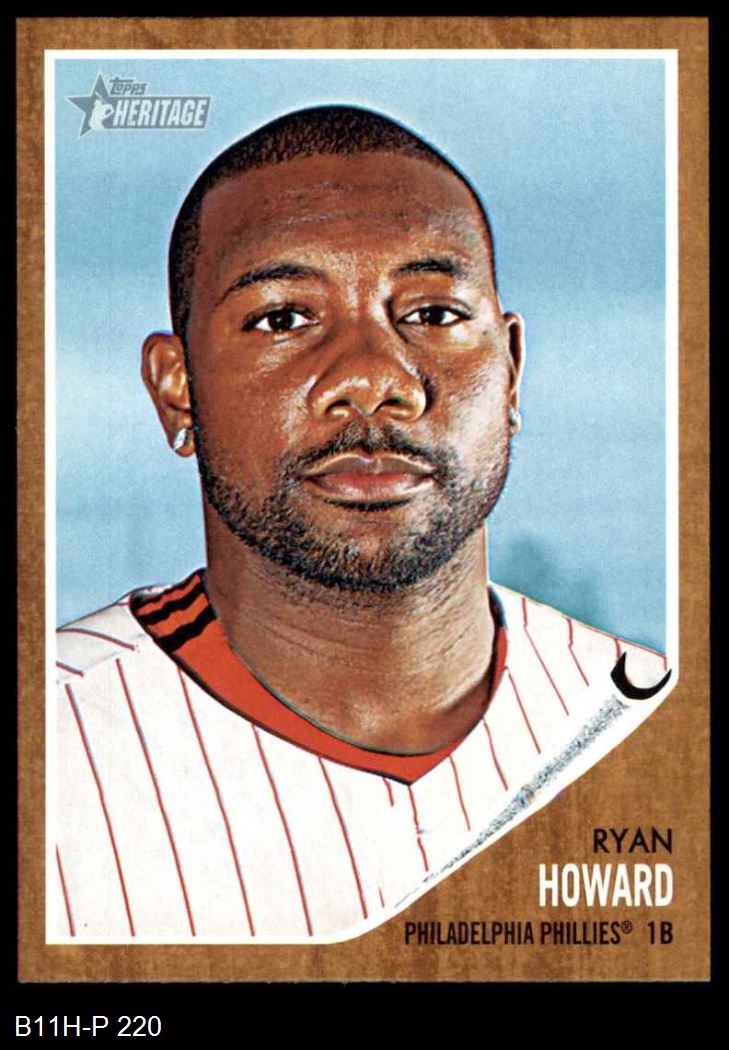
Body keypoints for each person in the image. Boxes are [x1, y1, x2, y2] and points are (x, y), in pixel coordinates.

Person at [53, 105, 671, 942]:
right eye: (283, 318)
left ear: (510, 372)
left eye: (433, 314)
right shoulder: (50, 746)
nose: (373, 378)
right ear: (177, 389)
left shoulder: (657, 727)